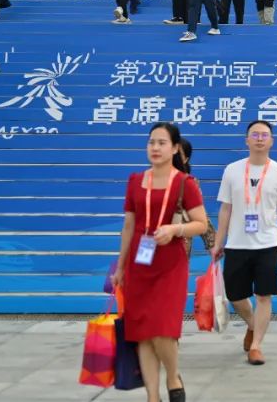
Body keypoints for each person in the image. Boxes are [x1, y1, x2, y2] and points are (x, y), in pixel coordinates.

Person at [111, 122, 208, 402]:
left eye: (162, 143)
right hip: (139, 264)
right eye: (151, 142)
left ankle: (173, 376)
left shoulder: (185, 183)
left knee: (163, 329)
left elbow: (201, 224)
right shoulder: (135, 181)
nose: (155, 147)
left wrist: (175, 229)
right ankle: (152, 397)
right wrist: (120, 267)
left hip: (170, 265)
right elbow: (129, 226)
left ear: (175, 148)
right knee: (142, 332)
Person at [212, 120, 277, 366]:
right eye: (255, 135)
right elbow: (225, 209)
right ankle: (252, 324)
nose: (260, 139)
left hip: (267, 244)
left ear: (272, 141)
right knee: (235, 295)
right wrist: (218, 242)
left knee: (263, 295)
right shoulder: (232, 170)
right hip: (237, 243)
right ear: (246, 140)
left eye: (264, 135)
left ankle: (256, 346)